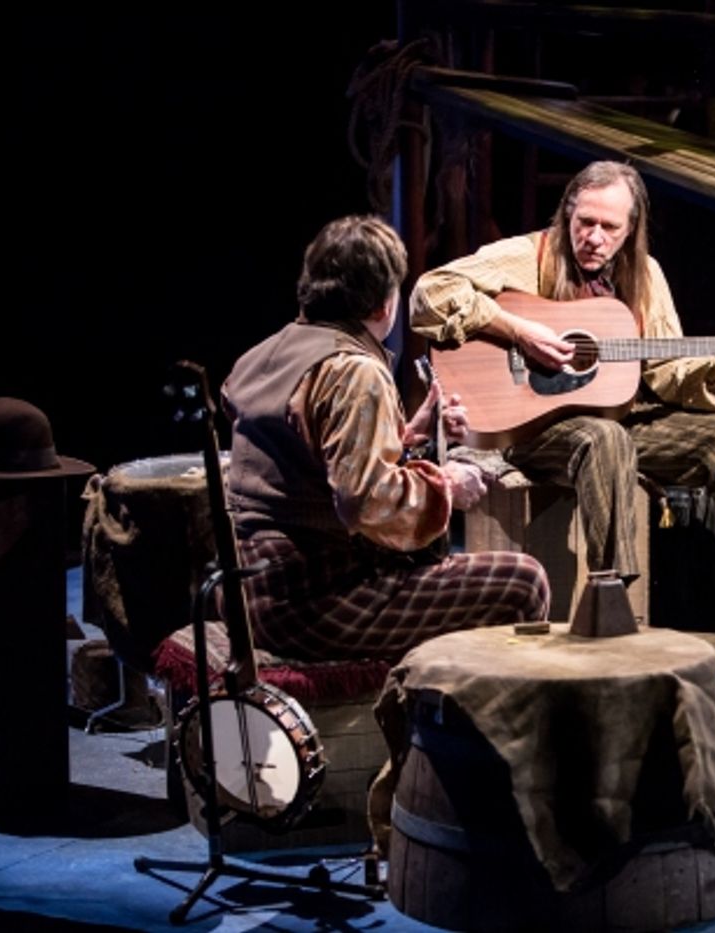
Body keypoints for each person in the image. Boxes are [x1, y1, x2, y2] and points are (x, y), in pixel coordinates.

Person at [409, 160, 715, 656]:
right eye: (585, 222)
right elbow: (428, 294)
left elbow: (666, 372)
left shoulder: (645, 276)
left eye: (610, 227)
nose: (594, 238)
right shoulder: (524, 256)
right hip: (531, 431)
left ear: (630, 231)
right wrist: (520, 331)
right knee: (605, 438)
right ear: (568, 214)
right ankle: (612, 598)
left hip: (617, 421)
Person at [221, 214, 550, 662]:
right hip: (312, 600)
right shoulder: (353, 370)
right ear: (383, 304)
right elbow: (363, 501)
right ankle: (476, 728)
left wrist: (407, 436)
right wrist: (447, 485)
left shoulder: (264, 353)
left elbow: (306, 460)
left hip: (248, 588)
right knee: (522, 583)